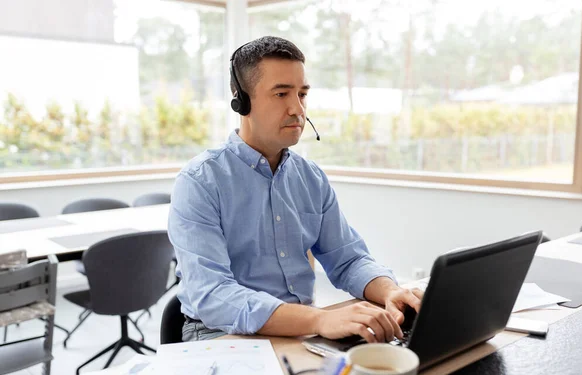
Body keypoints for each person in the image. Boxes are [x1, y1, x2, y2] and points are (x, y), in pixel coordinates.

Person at [168, 36, 423, 343]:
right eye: (281, 94)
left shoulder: (310, 178)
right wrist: (320, 320)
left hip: (297, 328)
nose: (297, 109)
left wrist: (391, 291)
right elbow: (212, 295)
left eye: (302, 94)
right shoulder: (199, 182)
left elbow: (349, 259)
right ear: (242, 101)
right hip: (219, 335)